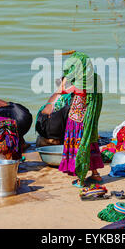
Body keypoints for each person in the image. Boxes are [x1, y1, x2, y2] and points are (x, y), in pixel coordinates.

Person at [57, 52, 104, 187]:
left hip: (77, 121)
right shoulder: (95, 79)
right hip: (89, 121)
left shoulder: (79, 84)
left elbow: (60, 90)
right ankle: (95, 174)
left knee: (79, 147)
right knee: (89, 143)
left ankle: (80, 179)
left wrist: (66, 77)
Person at [35, 78, 72, 146]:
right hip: (53, 130)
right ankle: (56, 139)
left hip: (41, 127)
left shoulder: (55, 95)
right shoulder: (69, 97)